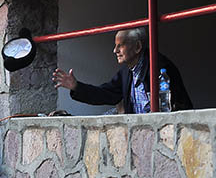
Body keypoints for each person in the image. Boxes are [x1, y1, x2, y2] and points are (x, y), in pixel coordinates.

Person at [52, 27, 193, 113]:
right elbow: (106, 94)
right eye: (115, 46)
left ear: (137, 47)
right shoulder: (127, 72)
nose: (115, 51)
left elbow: (168, 107)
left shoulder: (159, 67)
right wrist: (76, 86)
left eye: (120, 46)